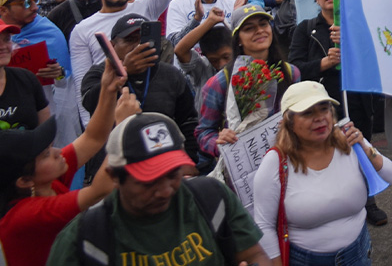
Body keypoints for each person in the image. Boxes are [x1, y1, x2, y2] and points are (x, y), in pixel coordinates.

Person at [46, 113, 269, 266]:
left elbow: (254, 254)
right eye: (148, 181)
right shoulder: (85, 239)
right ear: (115, 176)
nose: (164, 191)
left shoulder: (212, 200)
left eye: (173, 175)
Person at [0, 61, 139, 266]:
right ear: (24, 180)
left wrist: (108, 89)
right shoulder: (26, 214)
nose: (57, 152)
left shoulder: (44, 181)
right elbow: (101, 189)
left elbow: (93, 137)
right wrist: (124, 127)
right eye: (46, 154)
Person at [252, 81, 392, 265]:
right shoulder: (276, 161)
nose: (320, 118)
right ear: (288, 122)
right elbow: (264, 225)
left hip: (358, 255)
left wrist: (365, 148)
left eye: (324, 109)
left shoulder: (349, 143)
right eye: (307, 112)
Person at [68, 0, 176, 123]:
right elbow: (82, 84)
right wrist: (89, 125)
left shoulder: (146, 8)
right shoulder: (82, 30)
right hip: (110, 109)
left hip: (152, 101)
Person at [196, 4, 300, 169]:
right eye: (249, 28)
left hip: (288, 162)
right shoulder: (219, 83)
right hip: (243, 169)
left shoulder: (291, 73)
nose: (259, 31)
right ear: (237, 39)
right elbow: (204, 133)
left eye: (263, 24)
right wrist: (219, 141)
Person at [80, 15, 198, 159]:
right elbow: (89, 104)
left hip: (162, 162)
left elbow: (188, 121)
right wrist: (124, 72)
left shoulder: (171, 74)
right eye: (129, 40)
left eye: (144, 40)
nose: (138, 46)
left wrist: (189, 160)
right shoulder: (99, 73)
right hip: (112, 163)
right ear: (112, 46)